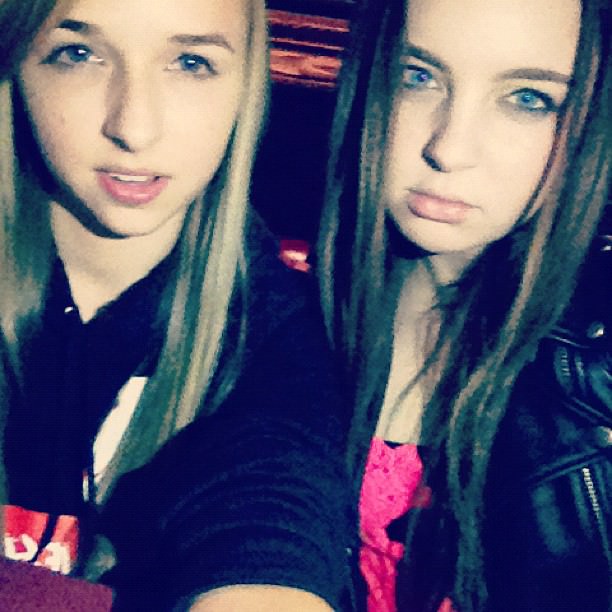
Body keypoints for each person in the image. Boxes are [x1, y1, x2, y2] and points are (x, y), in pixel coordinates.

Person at [0, 0, 351, 609]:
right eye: (78, 54)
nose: (135, 127)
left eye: (190, 62)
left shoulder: (275, 339)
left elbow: (272, 504)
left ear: (246, 84)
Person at [318, 0, 611, 610]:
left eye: (528, 98)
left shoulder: (595, 371)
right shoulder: (286, 319)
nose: (449, 149)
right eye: (417, 76)